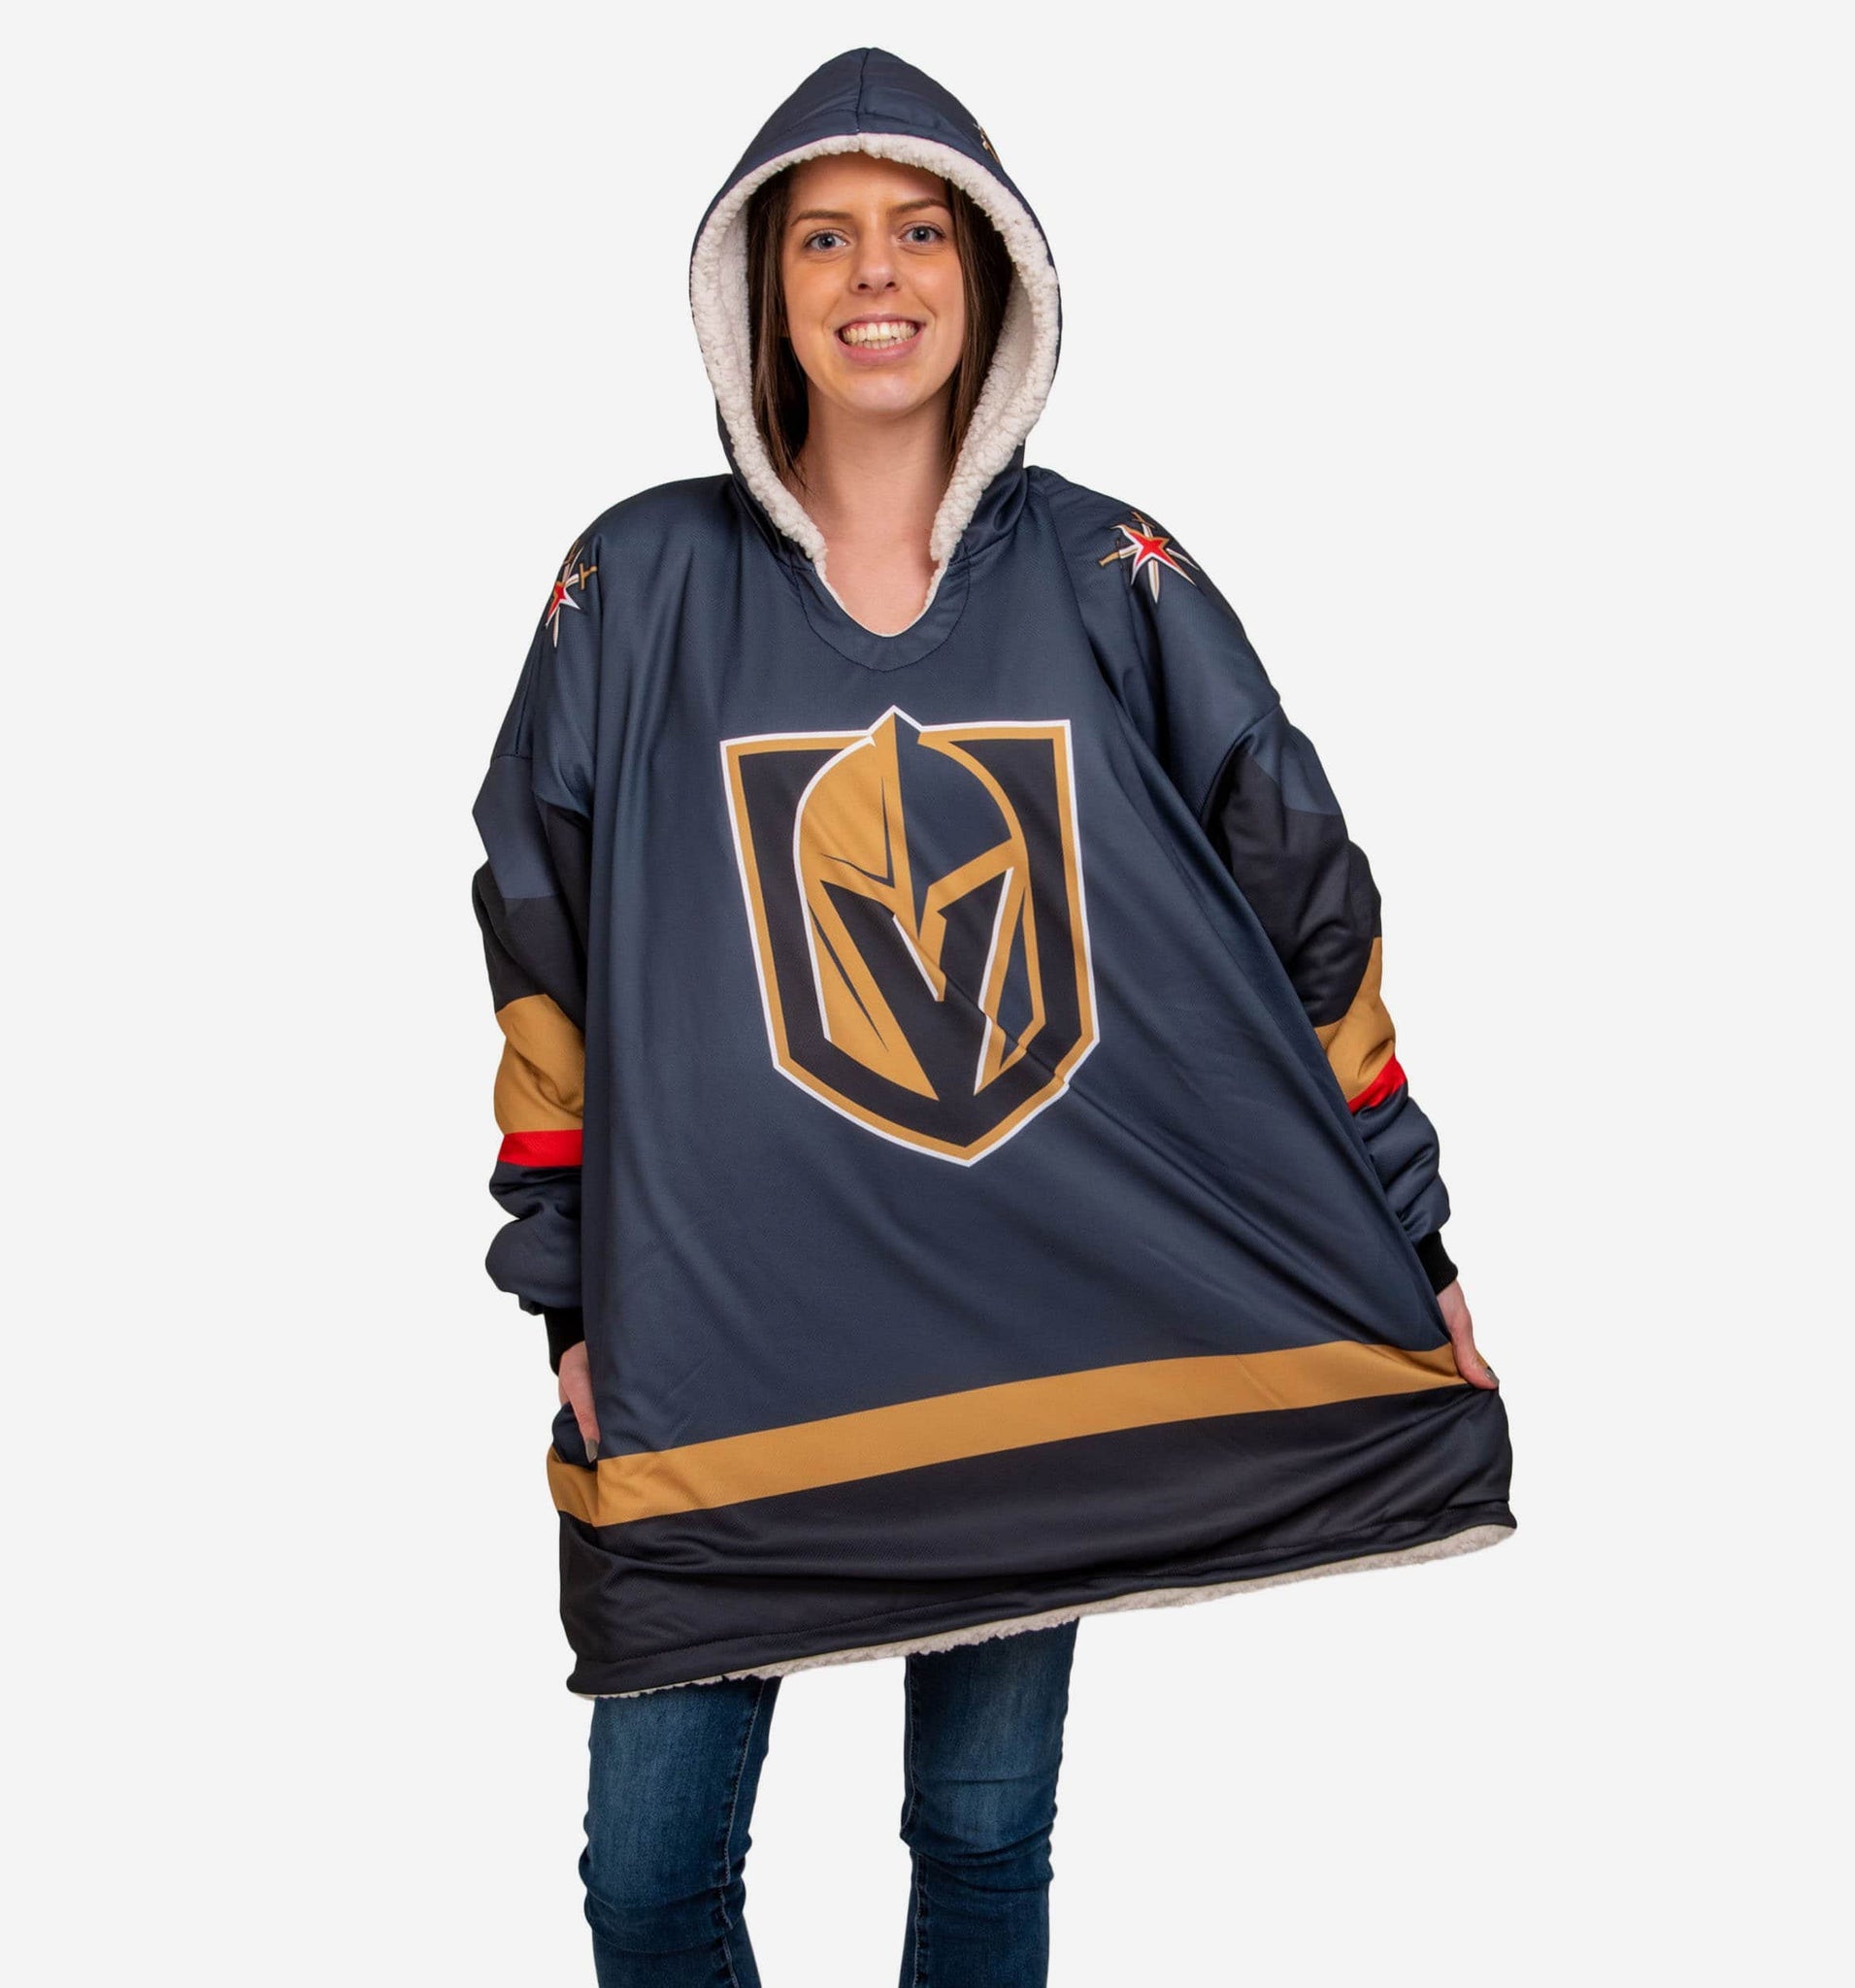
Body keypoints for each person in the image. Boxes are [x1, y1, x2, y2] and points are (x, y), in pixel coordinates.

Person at [471, 47, 1514, 1986]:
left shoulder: (1112, 576)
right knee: (649, 1875)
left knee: (979, 1835)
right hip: (727, 1345)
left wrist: (1408, 1236)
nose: (878, 272)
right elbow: (544, 943)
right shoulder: (636, 583)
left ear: (992, 274)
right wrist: (570, 1297)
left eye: (922, 231)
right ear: (759, 289)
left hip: (1036, 1334)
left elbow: (1297, 887)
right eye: (825, 237)